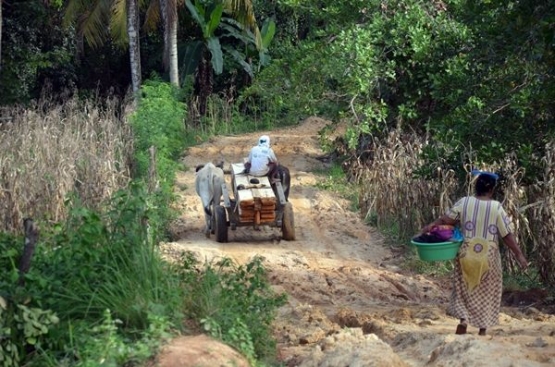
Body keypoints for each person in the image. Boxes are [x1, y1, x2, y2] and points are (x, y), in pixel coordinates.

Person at [421, 170, 528, 336]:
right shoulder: (496, 207)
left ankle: (463, 319)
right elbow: (506, 234)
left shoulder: (464, 202)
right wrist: (519, 255)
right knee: (487, 291)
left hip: (466, 253)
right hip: (488, 256)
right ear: (492, 190)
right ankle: (482, 329)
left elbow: (445, 220)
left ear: (476, 187)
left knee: (464, 289)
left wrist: (429, 227)